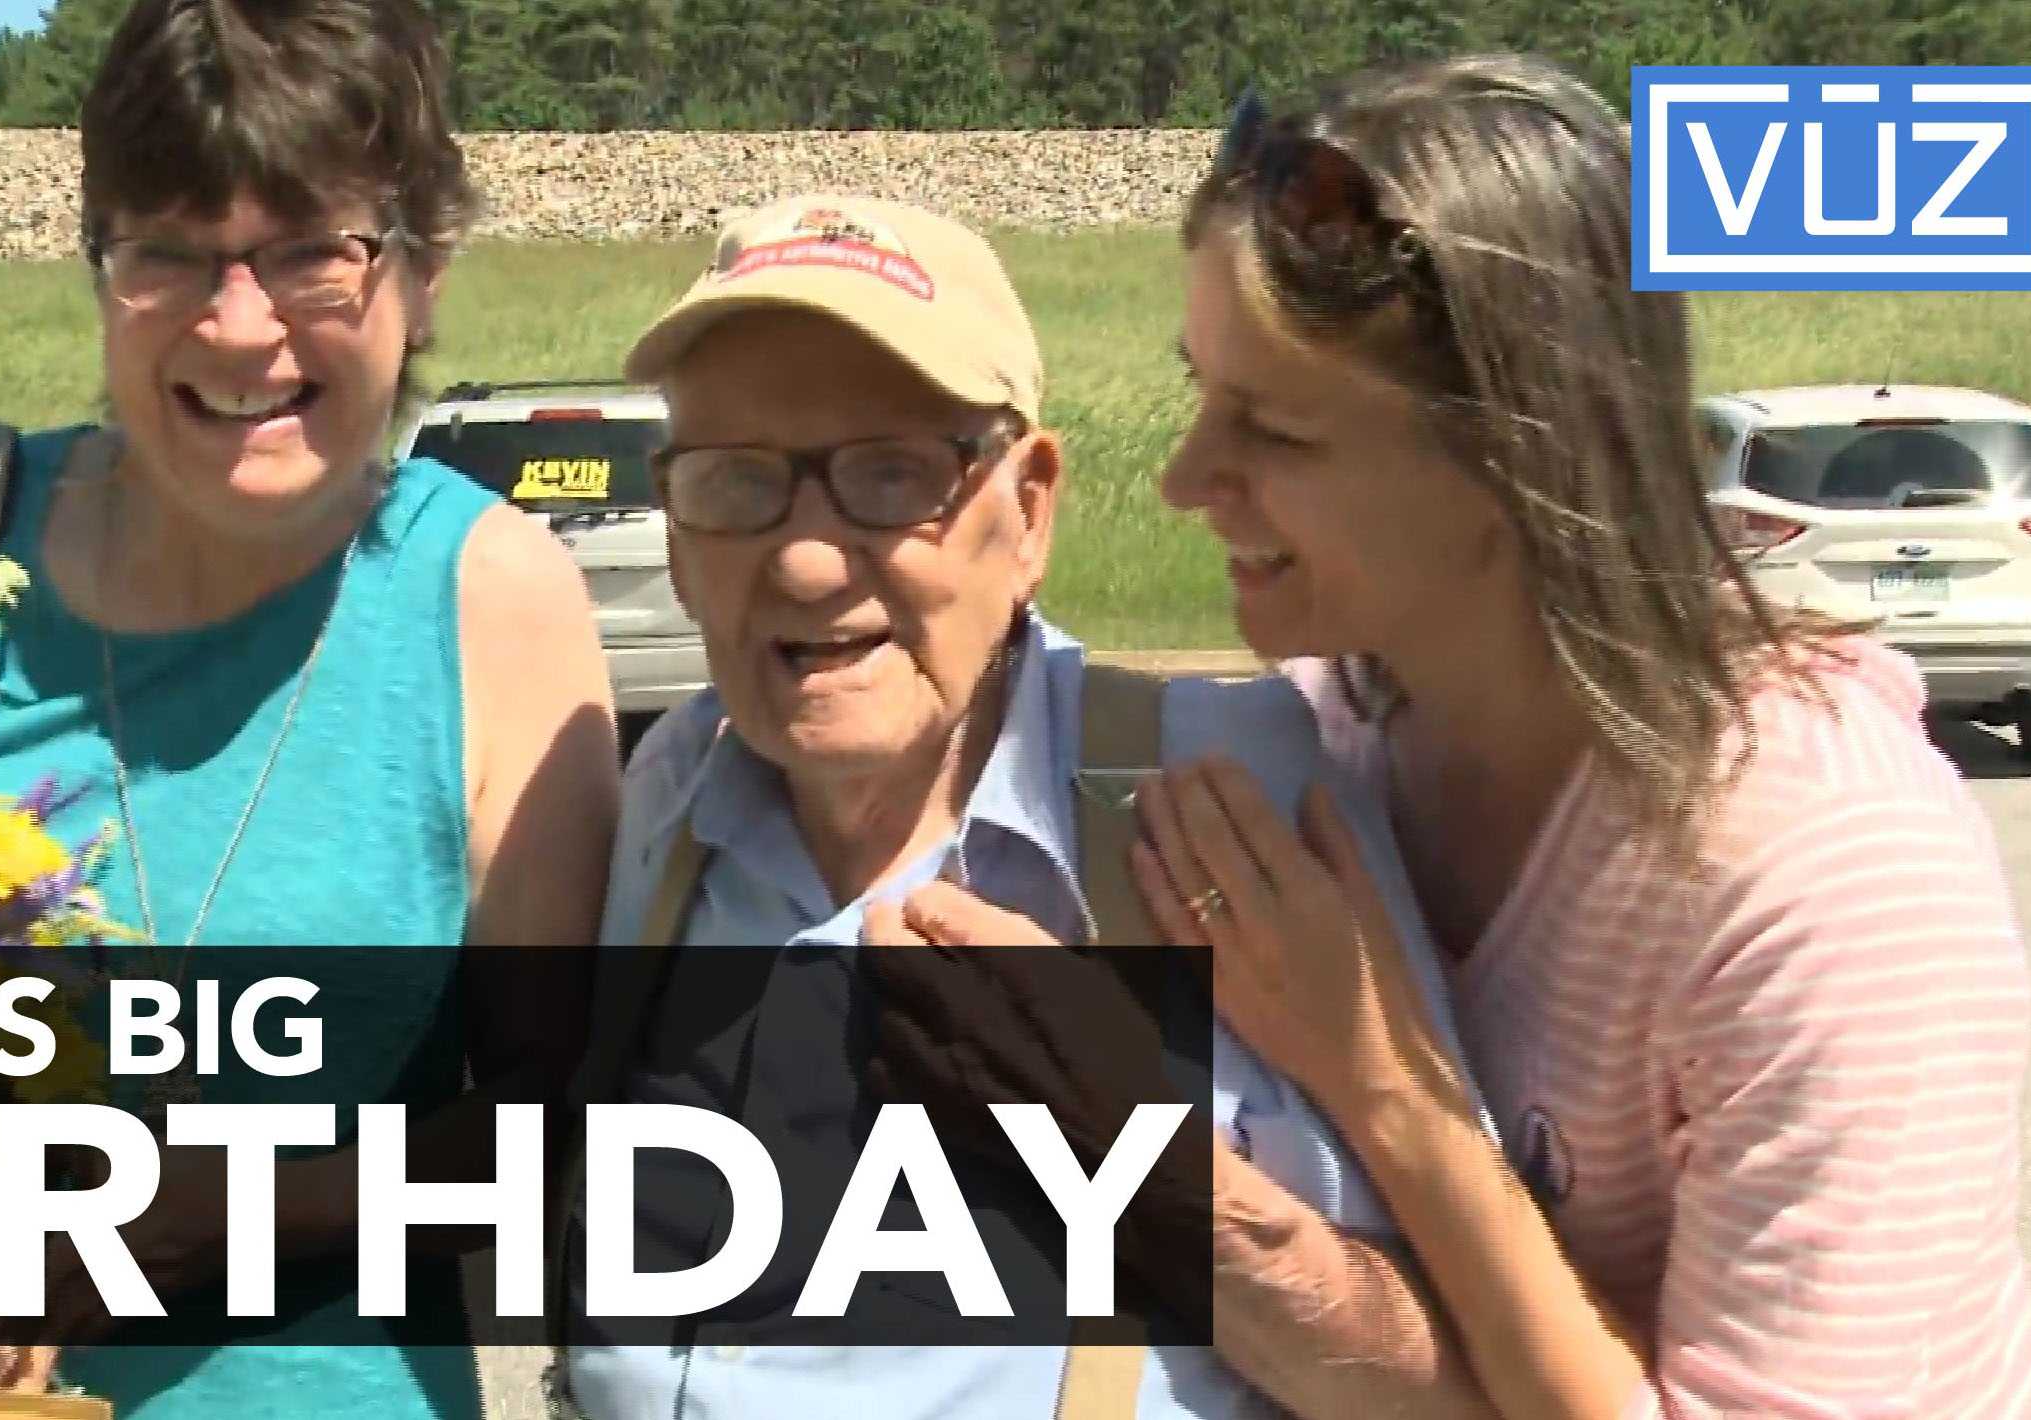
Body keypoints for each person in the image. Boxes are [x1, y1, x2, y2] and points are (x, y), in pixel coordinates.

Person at [913, 54, 2031, 1417]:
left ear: (1517, 458)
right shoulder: (1341, 728)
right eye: (1201, 393)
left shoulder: (1832, 881)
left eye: (1276, 431)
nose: (1183, 480)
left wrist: (1385, 1083)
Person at [0, 1, 620, 1416]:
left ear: (426, 270)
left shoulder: (492, 603)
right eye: (168, 254)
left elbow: (548, 1141)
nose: (237, 323)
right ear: (100, 269)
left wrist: (206, 1213)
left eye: (313, 250)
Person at [559, 191, 1497, 1419]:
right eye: (737, 484)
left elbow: (1461, 1383)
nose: (801, 559)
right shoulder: (663, 810)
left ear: (1031, 510)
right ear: (678, 539)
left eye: (889, 476)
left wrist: (1144, 1168)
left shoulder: (1225, 799)